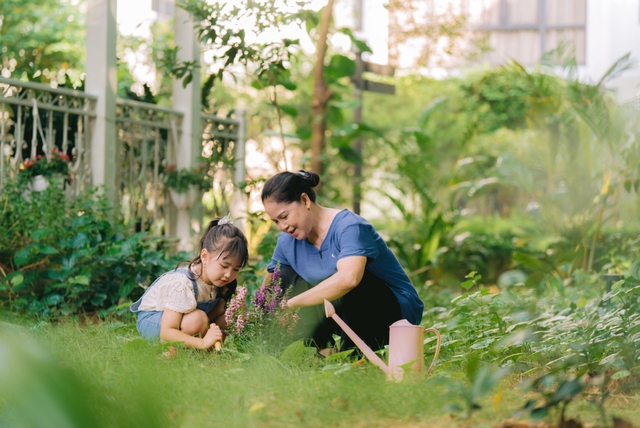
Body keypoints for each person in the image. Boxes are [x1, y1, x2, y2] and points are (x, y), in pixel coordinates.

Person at [261, 170, 424, 351]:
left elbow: (349, 279)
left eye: (284, 216)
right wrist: (259, 316)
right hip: (343, 312)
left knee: (353, 281)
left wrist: (291, 304)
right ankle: (316, 350)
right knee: (284, 276)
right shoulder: (287, 241)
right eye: (276, 221)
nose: (282, 226)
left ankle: (354, 356)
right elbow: (269, 285)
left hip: (391, 313)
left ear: (305, 200)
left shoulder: (349, 227)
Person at [130, 216, 249, 350]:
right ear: (204, 256)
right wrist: (202, 343)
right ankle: (171, 350)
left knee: (230, 310)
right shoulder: (182, 283)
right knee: (198, 318)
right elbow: (167, 331)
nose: (229, 274)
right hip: (156, 321)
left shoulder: (220, 280)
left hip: (185, 320)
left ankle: (196, 349)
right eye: (224, 266)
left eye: (236, 269)